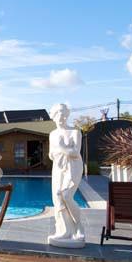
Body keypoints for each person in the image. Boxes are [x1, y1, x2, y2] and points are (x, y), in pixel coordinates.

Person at [48, 103, 85, 246]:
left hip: (73, 166)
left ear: (67, 115)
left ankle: (79, 228)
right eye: (58, 114)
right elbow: (51, 154)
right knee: (58, 198)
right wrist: (59, 151)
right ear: (53, 117)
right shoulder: (52, 134)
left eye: (64, 114)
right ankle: (65, 231)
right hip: (58, 166)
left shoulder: (75, 132)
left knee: (67, 195)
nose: (61, 117)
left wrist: (62, 147)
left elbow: (75, 153)